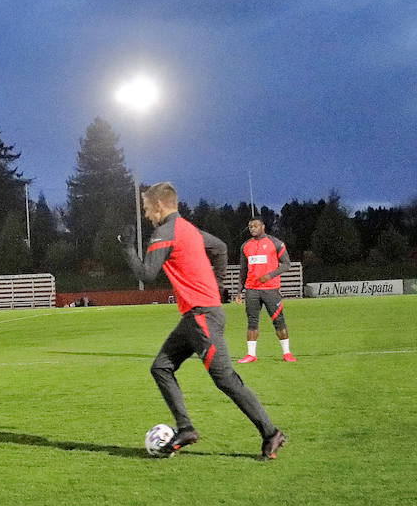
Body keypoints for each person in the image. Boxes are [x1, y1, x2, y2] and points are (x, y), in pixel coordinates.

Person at [124, 181, 287, 459]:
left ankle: (271, 433)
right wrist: (217, 284)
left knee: (226, 380)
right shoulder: (189, 229)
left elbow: (147, 274)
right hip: (195, 316)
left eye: (148, 208)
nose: (147, 214)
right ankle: (185, 428)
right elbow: (221, 247)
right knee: (161, 367)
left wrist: (127, 248)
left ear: (161, 205)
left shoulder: (165, 233)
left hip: (202, 318)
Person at [237, 218, 297, 363]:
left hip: (271, 289)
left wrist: (270, 276)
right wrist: (240, 291)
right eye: (250, 226)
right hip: (252, 290)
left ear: (263, 227)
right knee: (252, 322)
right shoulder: (245, 246)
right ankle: (251, 354)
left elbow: (286, 264)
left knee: (278, 320)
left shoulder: (275, 243)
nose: (252, 228)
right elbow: (243, 270)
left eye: (255, 226)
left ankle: (287, 353)